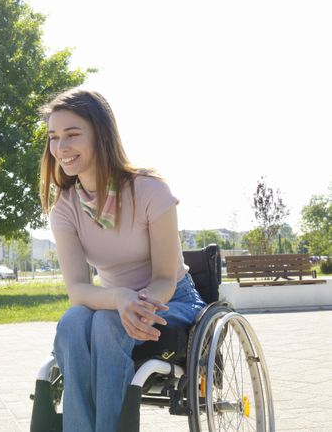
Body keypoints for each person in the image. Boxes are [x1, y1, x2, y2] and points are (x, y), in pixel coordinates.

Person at [39, 89, 206, 431]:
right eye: (54, 138)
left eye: (72, 135)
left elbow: (164, 277)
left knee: (106, 324)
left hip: (169, 299)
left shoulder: (149, 190)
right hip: (111, 301)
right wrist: (118, 298)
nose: (61, 148)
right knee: (73, 322)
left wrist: (134, 304)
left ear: (101, 135)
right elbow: (79, 290)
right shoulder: (65, 208)